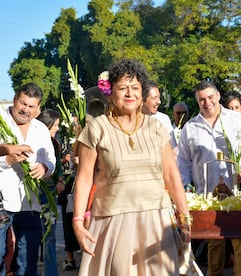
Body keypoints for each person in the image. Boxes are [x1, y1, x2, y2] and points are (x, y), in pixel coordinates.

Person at [72, 58, 190, 275]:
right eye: (122, 88)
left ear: (142, 93)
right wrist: (78, 221)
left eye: (135, 88)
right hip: (113, 220)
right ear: (110, 92)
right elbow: (84, 178)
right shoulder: (97, 128)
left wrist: (184, 217)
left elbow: (172, 175)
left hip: (157, 220)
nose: (130, 94)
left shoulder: (156, 127)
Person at [178, 80, 241, 276]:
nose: (207, 103)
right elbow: (183, 161)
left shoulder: (237, 121)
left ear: (218, 96)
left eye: (210, 97)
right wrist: (186, 186)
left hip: (237, 189)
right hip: (207, 191)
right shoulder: (191, 128)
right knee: (213, 239)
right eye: (202, 100)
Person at [0, 83, 56, 275]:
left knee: (27, 262)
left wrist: (45, 167)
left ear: (38, 108)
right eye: (23, 103)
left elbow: (50, 160)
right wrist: (6, 160)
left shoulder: (40, 129)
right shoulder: (1, 122)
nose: (26, 110)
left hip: (29, 205)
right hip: (2, 204)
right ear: (15, 99)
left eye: (31, 106)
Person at [37, 109, 65, 276]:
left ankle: (50, 272)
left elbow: (58, 166)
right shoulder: (34, 141)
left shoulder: (54, 143)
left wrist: (60, 180)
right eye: (55, 125)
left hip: (50, 192)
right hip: (33, 192)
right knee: (34, 234)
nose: (57, 129)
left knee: (50, 235)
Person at [141, 80, 176, 147]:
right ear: (142, 99)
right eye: (154, 98)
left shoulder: (163, 119)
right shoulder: (129, 119)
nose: (159, 102)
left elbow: (173, 148)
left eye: (159, 97)